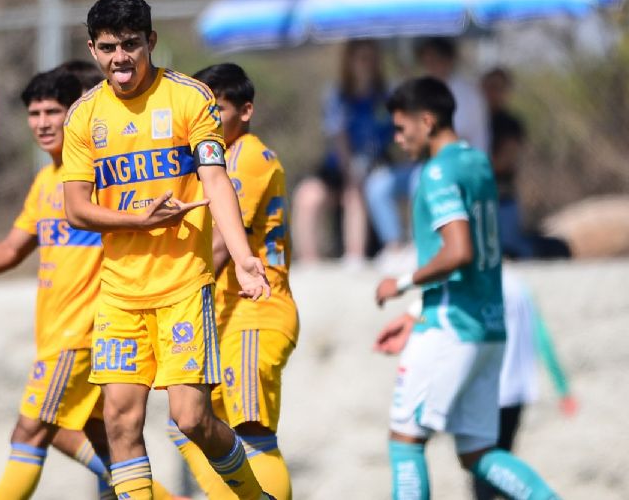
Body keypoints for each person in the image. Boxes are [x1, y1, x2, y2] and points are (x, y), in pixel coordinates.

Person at [61, 0, 274, 500]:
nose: (121, 58)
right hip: (119, 293)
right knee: (120, 422)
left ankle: (252, 496)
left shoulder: (190, 98)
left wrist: (243, 259)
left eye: (131, 45)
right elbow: (75, 207)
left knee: (191, 418)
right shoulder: (83, 117)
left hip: (182, 286)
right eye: (109, 47)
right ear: (93, 49)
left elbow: (216, 181)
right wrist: (135, 219)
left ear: (151, 42)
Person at [0, 68, 179, 500]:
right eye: (34, 113)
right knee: (100, 438)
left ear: (79, 113)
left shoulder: (101, 177)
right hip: (56, 333)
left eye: (54, 111)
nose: (43, 122)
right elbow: (12, 249)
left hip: (82, 333)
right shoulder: (46, 180)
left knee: (31, 430)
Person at [373, 77, 559, 500]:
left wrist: (400, 283)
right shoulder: (476, 161)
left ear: (427, 120)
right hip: (486, 327)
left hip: (451, 325)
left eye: (403, 129)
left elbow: (458, 251)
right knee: (477, 452)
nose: (398, 139)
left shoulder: (437, 172)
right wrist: (417, 312)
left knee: (405, 439)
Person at [165, 63, 299, 500]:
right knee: (187, 424)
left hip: (254, 313)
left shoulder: (247, 157)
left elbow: (222, 243)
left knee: (252, 430)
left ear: (246, 111)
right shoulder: (212, 160)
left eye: (217, 108)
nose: (208, 119)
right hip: (224, 315)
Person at [383, 269, 578, 500]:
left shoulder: (477, 280)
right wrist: (563, 388)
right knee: (494, 461)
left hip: (482, 383)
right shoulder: (519, 285)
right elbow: (542, 336)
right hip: (516, 390)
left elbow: (451, 306)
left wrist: (412, 311)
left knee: (477, 467)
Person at [291, 39, 393, 266]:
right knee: (307, 196)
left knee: (354, 191)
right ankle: (309, 263)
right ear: (349, 61)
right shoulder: (337, 94)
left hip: (377, 165)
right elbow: (339, 137)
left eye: (370, 58)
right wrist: (348, 168)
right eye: (360, 58)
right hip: (339, 167)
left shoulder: (387, 95)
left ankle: (354, 256)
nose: (365, 64)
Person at [416, 37, 490, 155]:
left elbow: (460, 136)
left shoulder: (468, 94)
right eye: (426, 62)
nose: (430, 67)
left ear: (448, 61)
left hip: (464, 162)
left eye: (434, 61)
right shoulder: (423, 91)